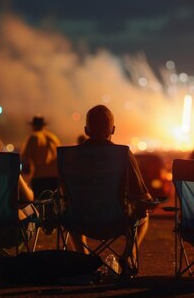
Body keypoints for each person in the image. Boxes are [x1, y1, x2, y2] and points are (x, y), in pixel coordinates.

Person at [70, 104, 153, 276]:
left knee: (70, 210)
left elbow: (65, 193)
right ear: (113, 130)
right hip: (116, 221)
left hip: (82, 221)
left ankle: (83, 259)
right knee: (144, 215)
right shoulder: (122, 155)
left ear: (86, 130)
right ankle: (130, 253)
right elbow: (143, 196)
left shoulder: (72, 157)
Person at [21, 115, 61, 198]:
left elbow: (25, 158)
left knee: (40, 206)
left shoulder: (34, 137)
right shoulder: (54, 138)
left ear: (33, 125)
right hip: (55, 177)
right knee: (52, 206)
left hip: (40, 178)